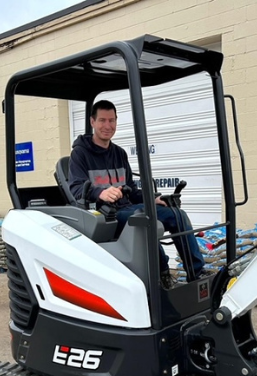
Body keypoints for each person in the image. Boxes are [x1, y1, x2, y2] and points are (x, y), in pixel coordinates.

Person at [68, 100, 205, 288]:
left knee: (176, 214)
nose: (107, 126)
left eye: (112, 120)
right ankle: (162, 273)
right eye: (102, 120)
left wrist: (152, 198)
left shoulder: (119, 153)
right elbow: (75, 188)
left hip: (128, 207)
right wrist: (100, 193)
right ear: (92, 122)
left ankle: (196, 274)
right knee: (145, 219)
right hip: (104, 213)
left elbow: (131, 189)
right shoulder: (80, 154)